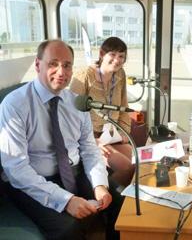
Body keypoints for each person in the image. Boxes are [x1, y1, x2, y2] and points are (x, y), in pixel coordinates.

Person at [0, 39, 123, 240]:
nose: (61, 71)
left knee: (121, 202)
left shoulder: (76, 103)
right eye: (53, 64)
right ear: (38, 64)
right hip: (31, 180)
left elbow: (89, 149)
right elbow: (17, 170)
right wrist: (66, 201)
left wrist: (99, 184)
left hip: (72, 171)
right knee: (68, 229)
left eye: (67, 65)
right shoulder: (14, 106)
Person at [70, 37, 134, 187]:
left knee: (140, 162)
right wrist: (90, 141)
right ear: (101, 54)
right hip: (90, 139)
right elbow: (71, 115)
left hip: (112, 135)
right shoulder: (84, 76)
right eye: (112, 54)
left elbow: (124, 106)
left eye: (121, 56)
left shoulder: (120, 74)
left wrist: (124, 132)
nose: (117, 60)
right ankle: (108, 201)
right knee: (127, 168)